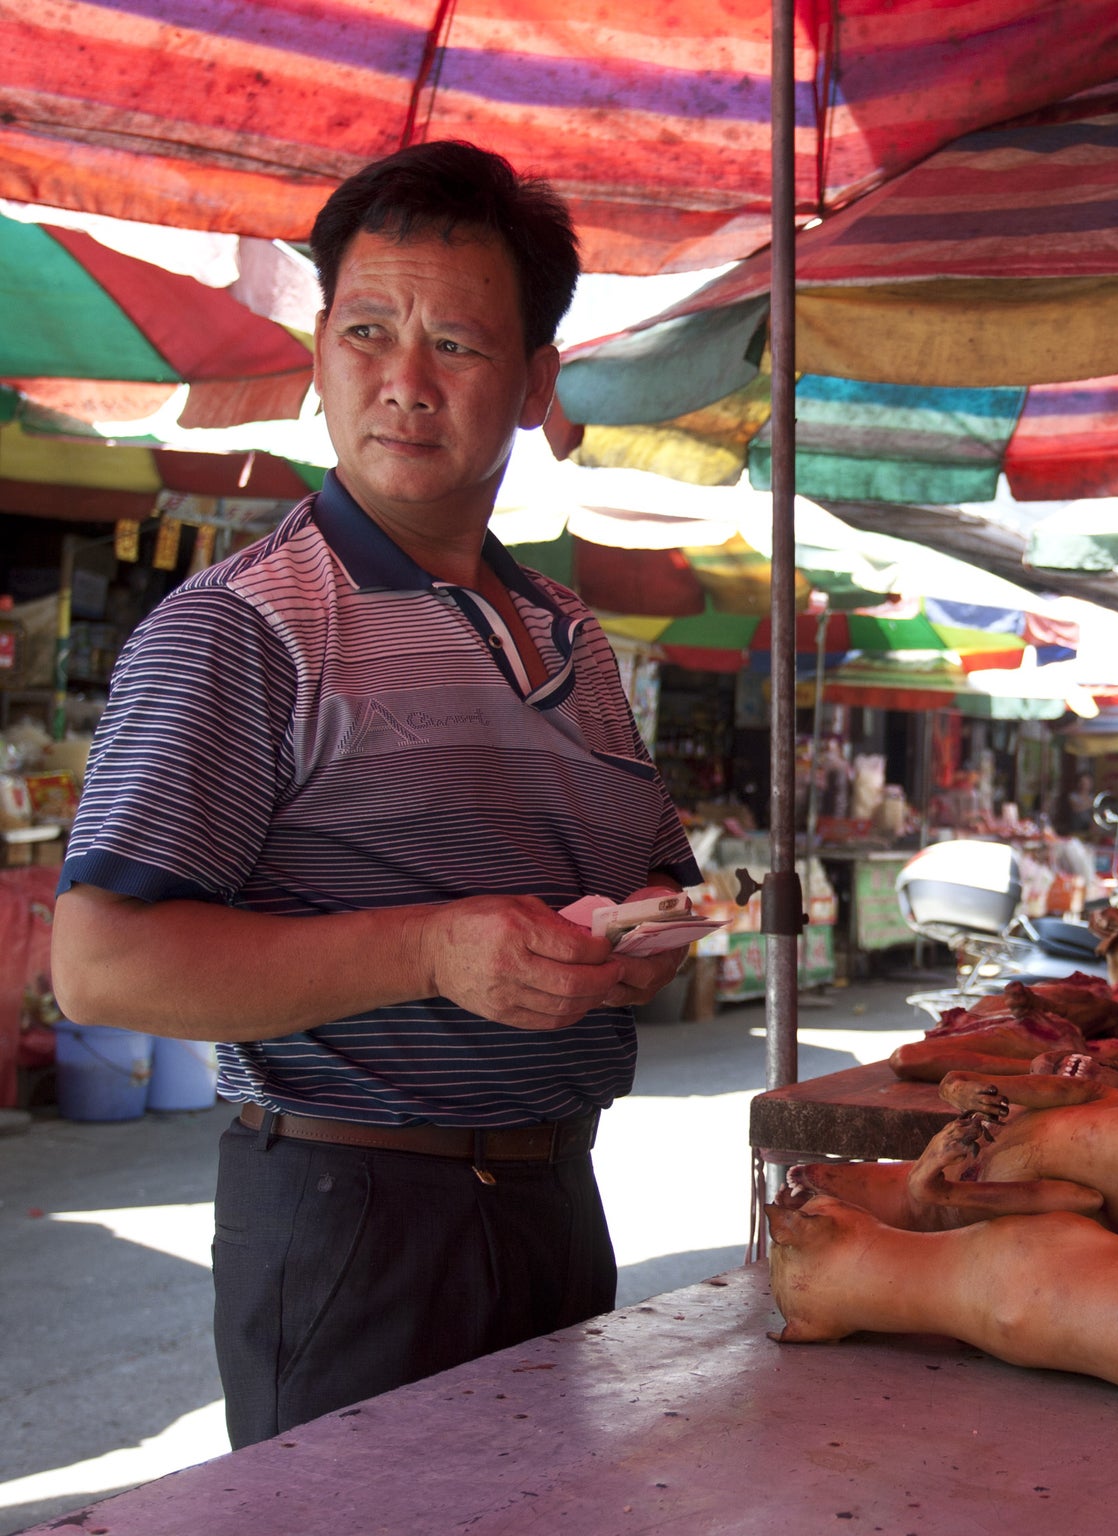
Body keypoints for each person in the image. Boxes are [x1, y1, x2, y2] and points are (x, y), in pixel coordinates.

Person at [49, 142, 699, 1449]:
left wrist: (645, 935)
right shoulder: (244, 628)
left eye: (456, 344)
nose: (404, 382)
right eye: (367, 331)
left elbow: (656, 884)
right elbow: (103, 968)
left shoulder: (570, 630)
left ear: (533, 385)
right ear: (319, 356)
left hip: (559, 1199)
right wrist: (431, 951)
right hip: (358, 1220)